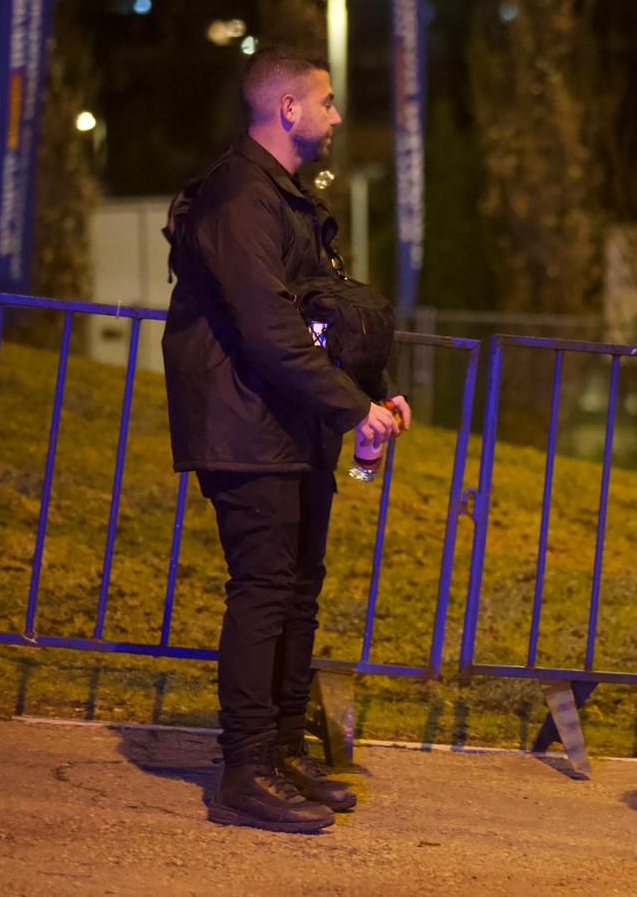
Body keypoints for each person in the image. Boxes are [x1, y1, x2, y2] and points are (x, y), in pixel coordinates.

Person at [162, 46, 409, 833]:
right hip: (242, 422)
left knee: (299, 588)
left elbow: (321, 309)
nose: (338, 116)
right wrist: (348, 408)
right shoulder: (239, 197)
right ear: (288, 108)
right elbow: (267, 328)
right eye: (327, 101)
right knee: (264, 590)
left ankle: (283, 746)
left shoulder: (288, 196)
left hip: (287, 419)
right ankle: (245, 769)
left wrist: (372, 388)